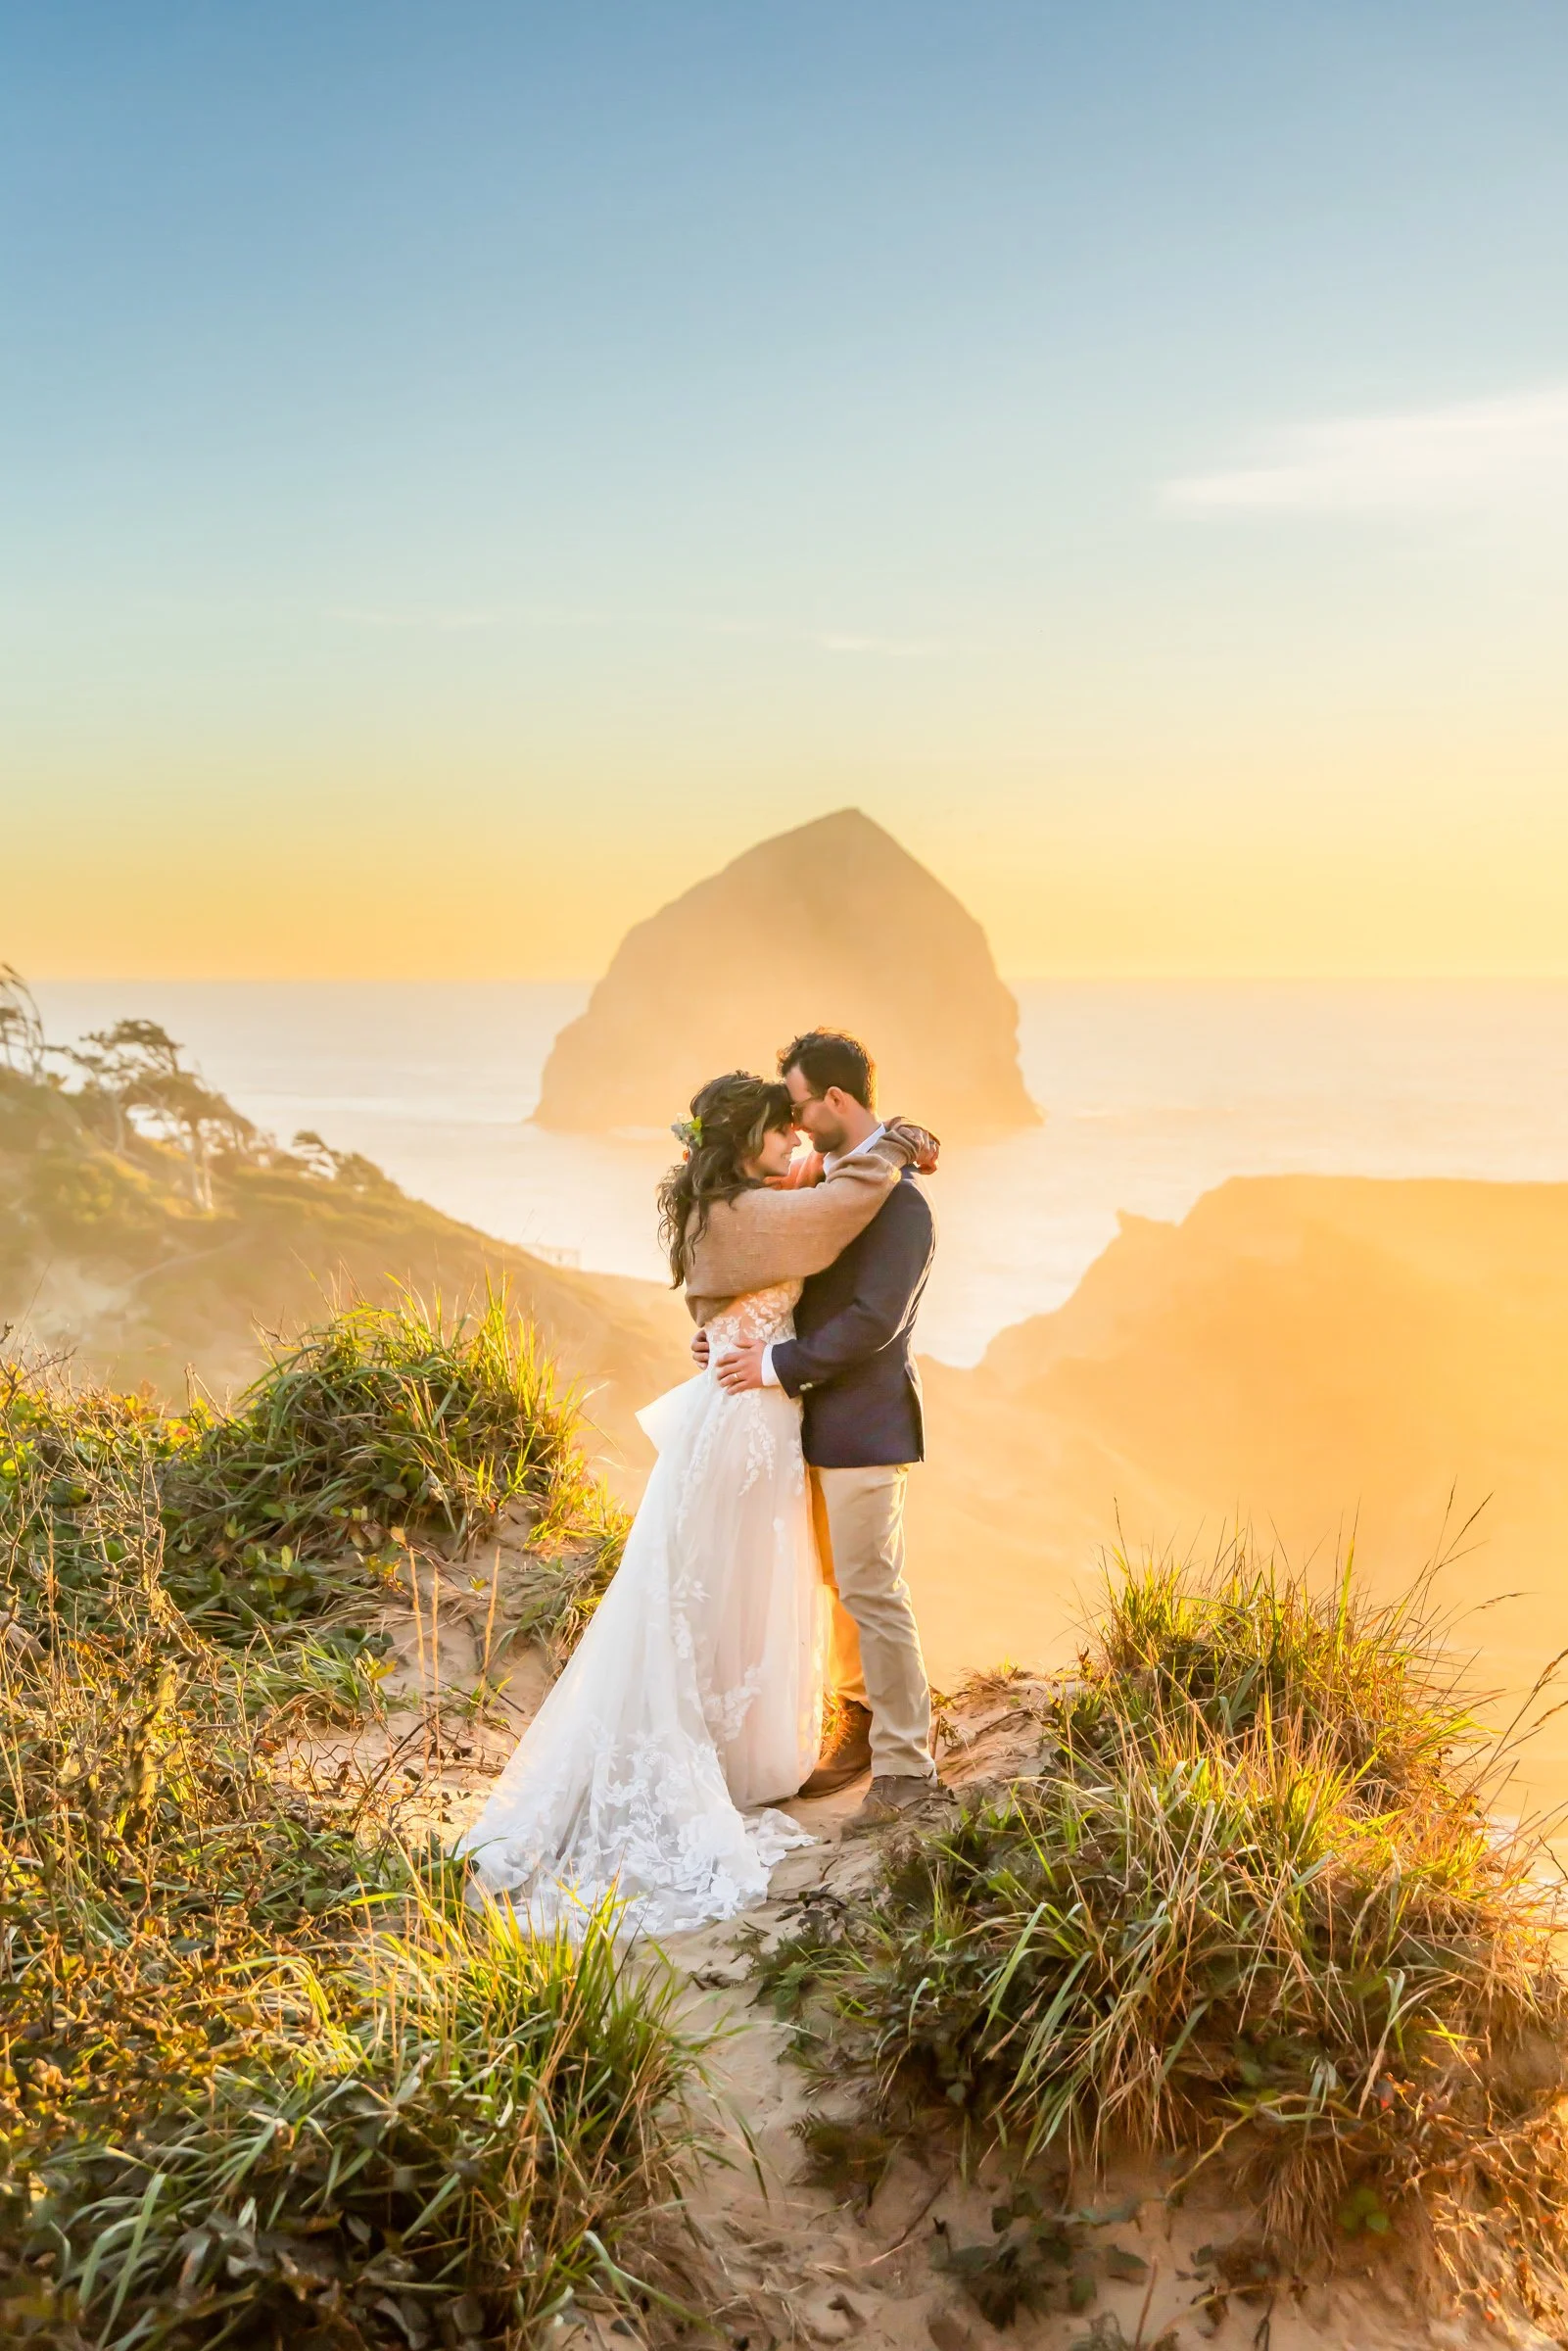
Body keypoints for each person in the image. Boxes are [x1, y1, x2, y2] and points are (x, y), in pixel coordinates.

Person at [456, 1070, 932, 1937]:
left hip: (765, 1411)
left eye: (798, 1118)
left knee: (753, 1582)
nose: (795, 1138)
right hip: (751, 1416)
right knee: (730, 1585)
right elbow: (829, 1214)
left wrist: (726, 1329)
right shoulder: (755, 1212)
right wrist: (896, 1142)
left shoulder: (747, 1200)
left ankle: (806, 1743)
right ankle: (747, 1753)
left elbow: (813, 1259)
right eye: (781, 1127)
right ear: (746, 1141)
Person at [700, 1029, 940, 1825]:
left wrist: (775, 1365)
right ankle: (856, 1722)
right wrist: (725, 1338)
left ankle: (906, 1768)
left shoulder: (900, 1202)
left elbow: (874, 1320)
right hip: (795, 1424)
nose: (795, 1124)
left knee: (871, 1590)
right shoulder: (821, 1188)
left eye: (800, 1105)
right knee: (830, 1588)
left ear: (836, 1098)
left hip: (864, 1427)